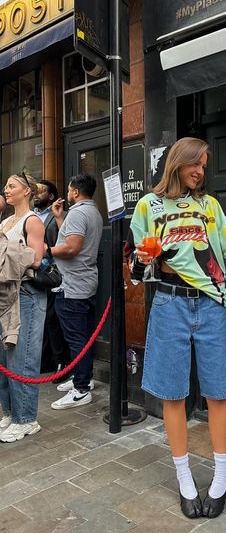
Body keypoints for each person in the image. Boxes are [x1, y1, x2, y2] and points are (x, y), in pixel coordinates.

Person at [129, 137, 226, 519]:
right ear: (178, 163)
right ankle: (184, 478)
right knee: (173, 395)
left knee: (217, 392)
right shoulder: (148, 205)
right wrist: (142, 259)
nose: (201, 171)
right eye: (196, 164)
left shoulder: (210, 206)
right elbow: (136, 261)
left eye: (205, 166)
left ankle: (221, 476)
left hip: (212, 306)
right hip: (168, 303)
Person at [49, 174, 103, 410]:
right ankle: (84, 378)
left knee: (76, 338)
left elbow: (71, 247)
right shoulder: (91, 211)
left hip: (73, 286)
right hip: (85, 282)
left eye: (69, 190)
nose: (68, 193)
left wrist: (46, 250)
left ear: (75, 192)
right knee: (83, 335)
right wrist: (60, 218)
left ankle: (81, 389)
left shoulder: (80, 212)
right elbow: (72, 239)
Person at [0, 173, 47, 442]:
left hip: (26, 294)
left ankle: (26, 419)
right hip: (5, 294)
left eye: (12, 186)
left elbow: (36, 259)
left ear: (27, 191)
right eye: (6, 186)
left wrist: (5, 254)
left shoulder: (33, 221)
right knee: (4, 358)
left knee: (22, 357)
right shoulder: (6, 221)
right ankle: (10, 412)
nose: (7, 190)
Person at [33, 180, 70, 376]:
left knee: (52, 318)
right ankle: (44, 360)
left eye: (42, 191)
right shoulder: (31, 216)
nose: (37, 194)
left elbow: (63, 241)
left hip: (53, 273)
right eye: (35, 191)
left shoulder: (57, 216)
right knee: (40, 317)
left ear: (51, 196)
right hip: (33, 272)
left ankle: (61, 362)